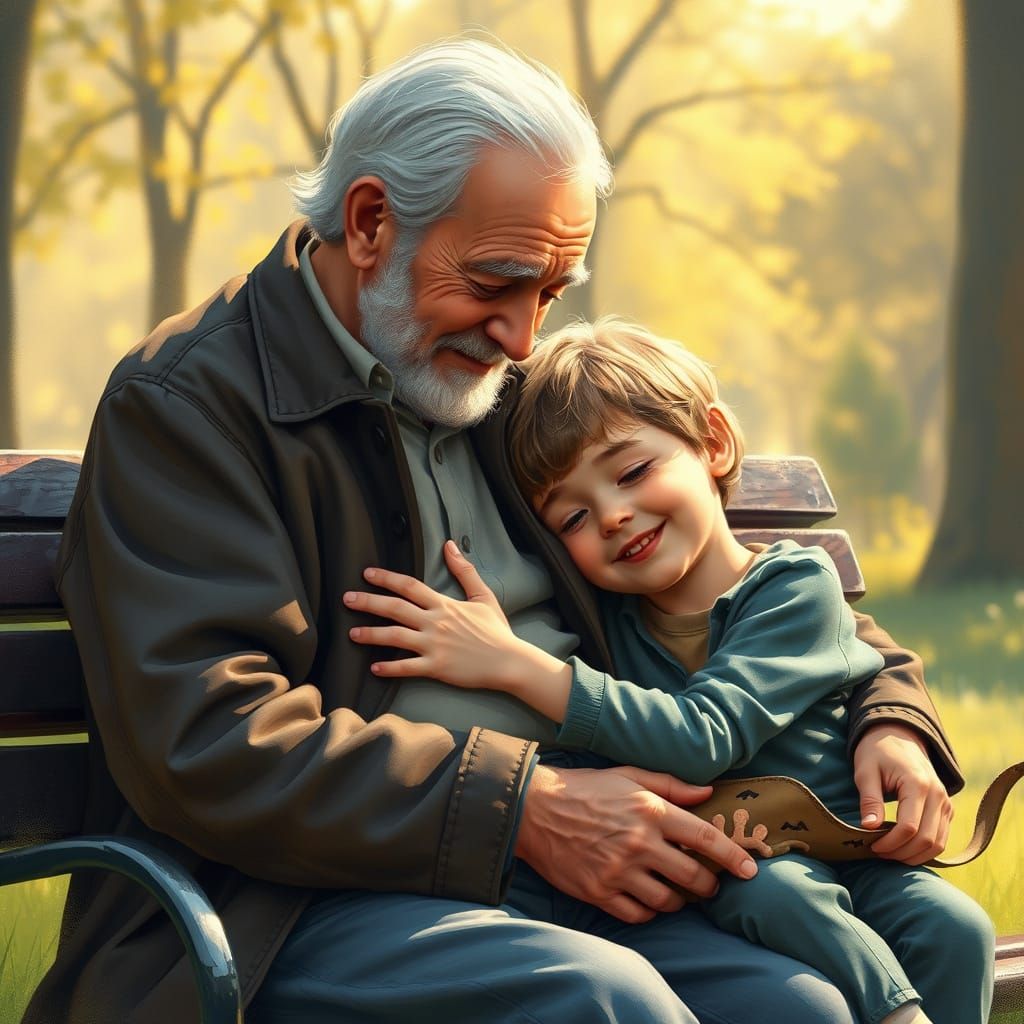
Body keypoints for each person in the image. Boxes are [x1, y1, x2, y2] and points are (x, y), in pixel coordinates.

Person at [31, 38, 964, 1024]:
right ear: (370, 222)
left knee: (798, 1009)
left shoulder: (508, 394)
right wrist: (522, 808)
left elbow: (761, 596)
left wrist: (889, 715)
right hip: (291, 901)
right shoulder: (188, 407)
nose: (523, 336)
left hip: (591, 858)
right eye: (494, 282)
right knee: (607, 1004)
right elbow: (208, 740)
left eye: (549, 293)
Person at [345, 317, 995, 1024]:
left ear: (712, 442)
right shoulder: (609, 624)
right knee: (774, 894)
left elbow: (703, 736)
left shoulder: (794, 586)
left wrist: (515, 665)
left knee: (957, 929)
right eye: (573, 519)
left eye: (632, 473)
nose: (613, 516)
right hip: (741, 868)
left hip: (849, 845)